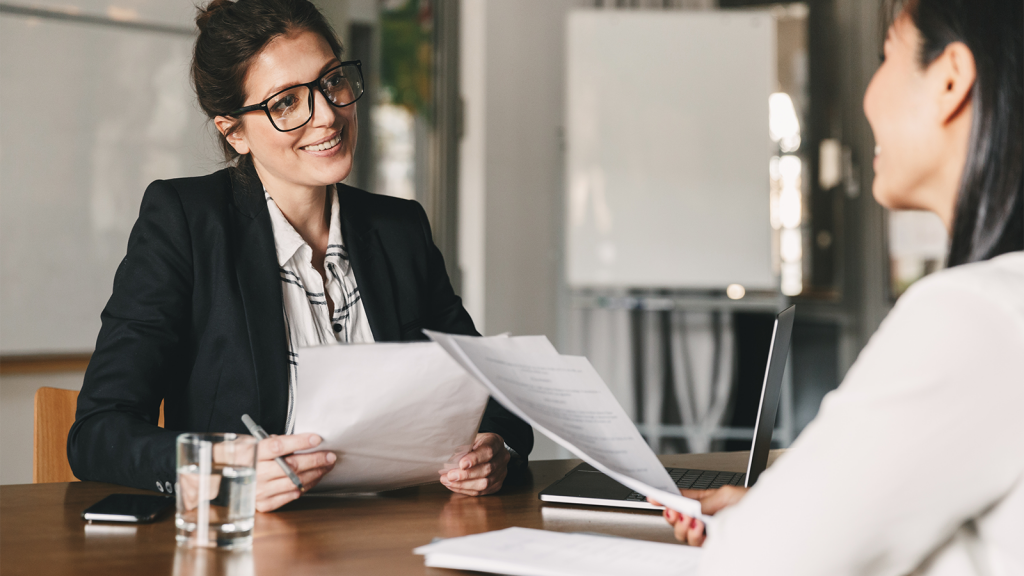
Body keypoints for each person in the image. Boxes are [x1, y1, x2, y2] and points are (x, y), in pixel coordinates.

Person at [67, 0, 532, 513]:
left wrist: (495, 449)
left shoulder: (399, 230)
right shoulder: (186, 222)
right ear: (233, 132)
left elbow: (495, 399)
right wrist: (223, 467)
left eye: (331, 81)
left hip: (398, 539)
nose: (328, 114)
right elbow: (97, 432)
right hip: (252, 548)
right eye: (286, 103)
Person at [652, 0, 1024, 573]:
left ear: (951, 78)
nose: (867, 93)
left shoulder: (971, 314)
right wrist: (781, 511)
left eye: (886, 56)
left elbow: (754, 566)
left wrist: (762, 529)